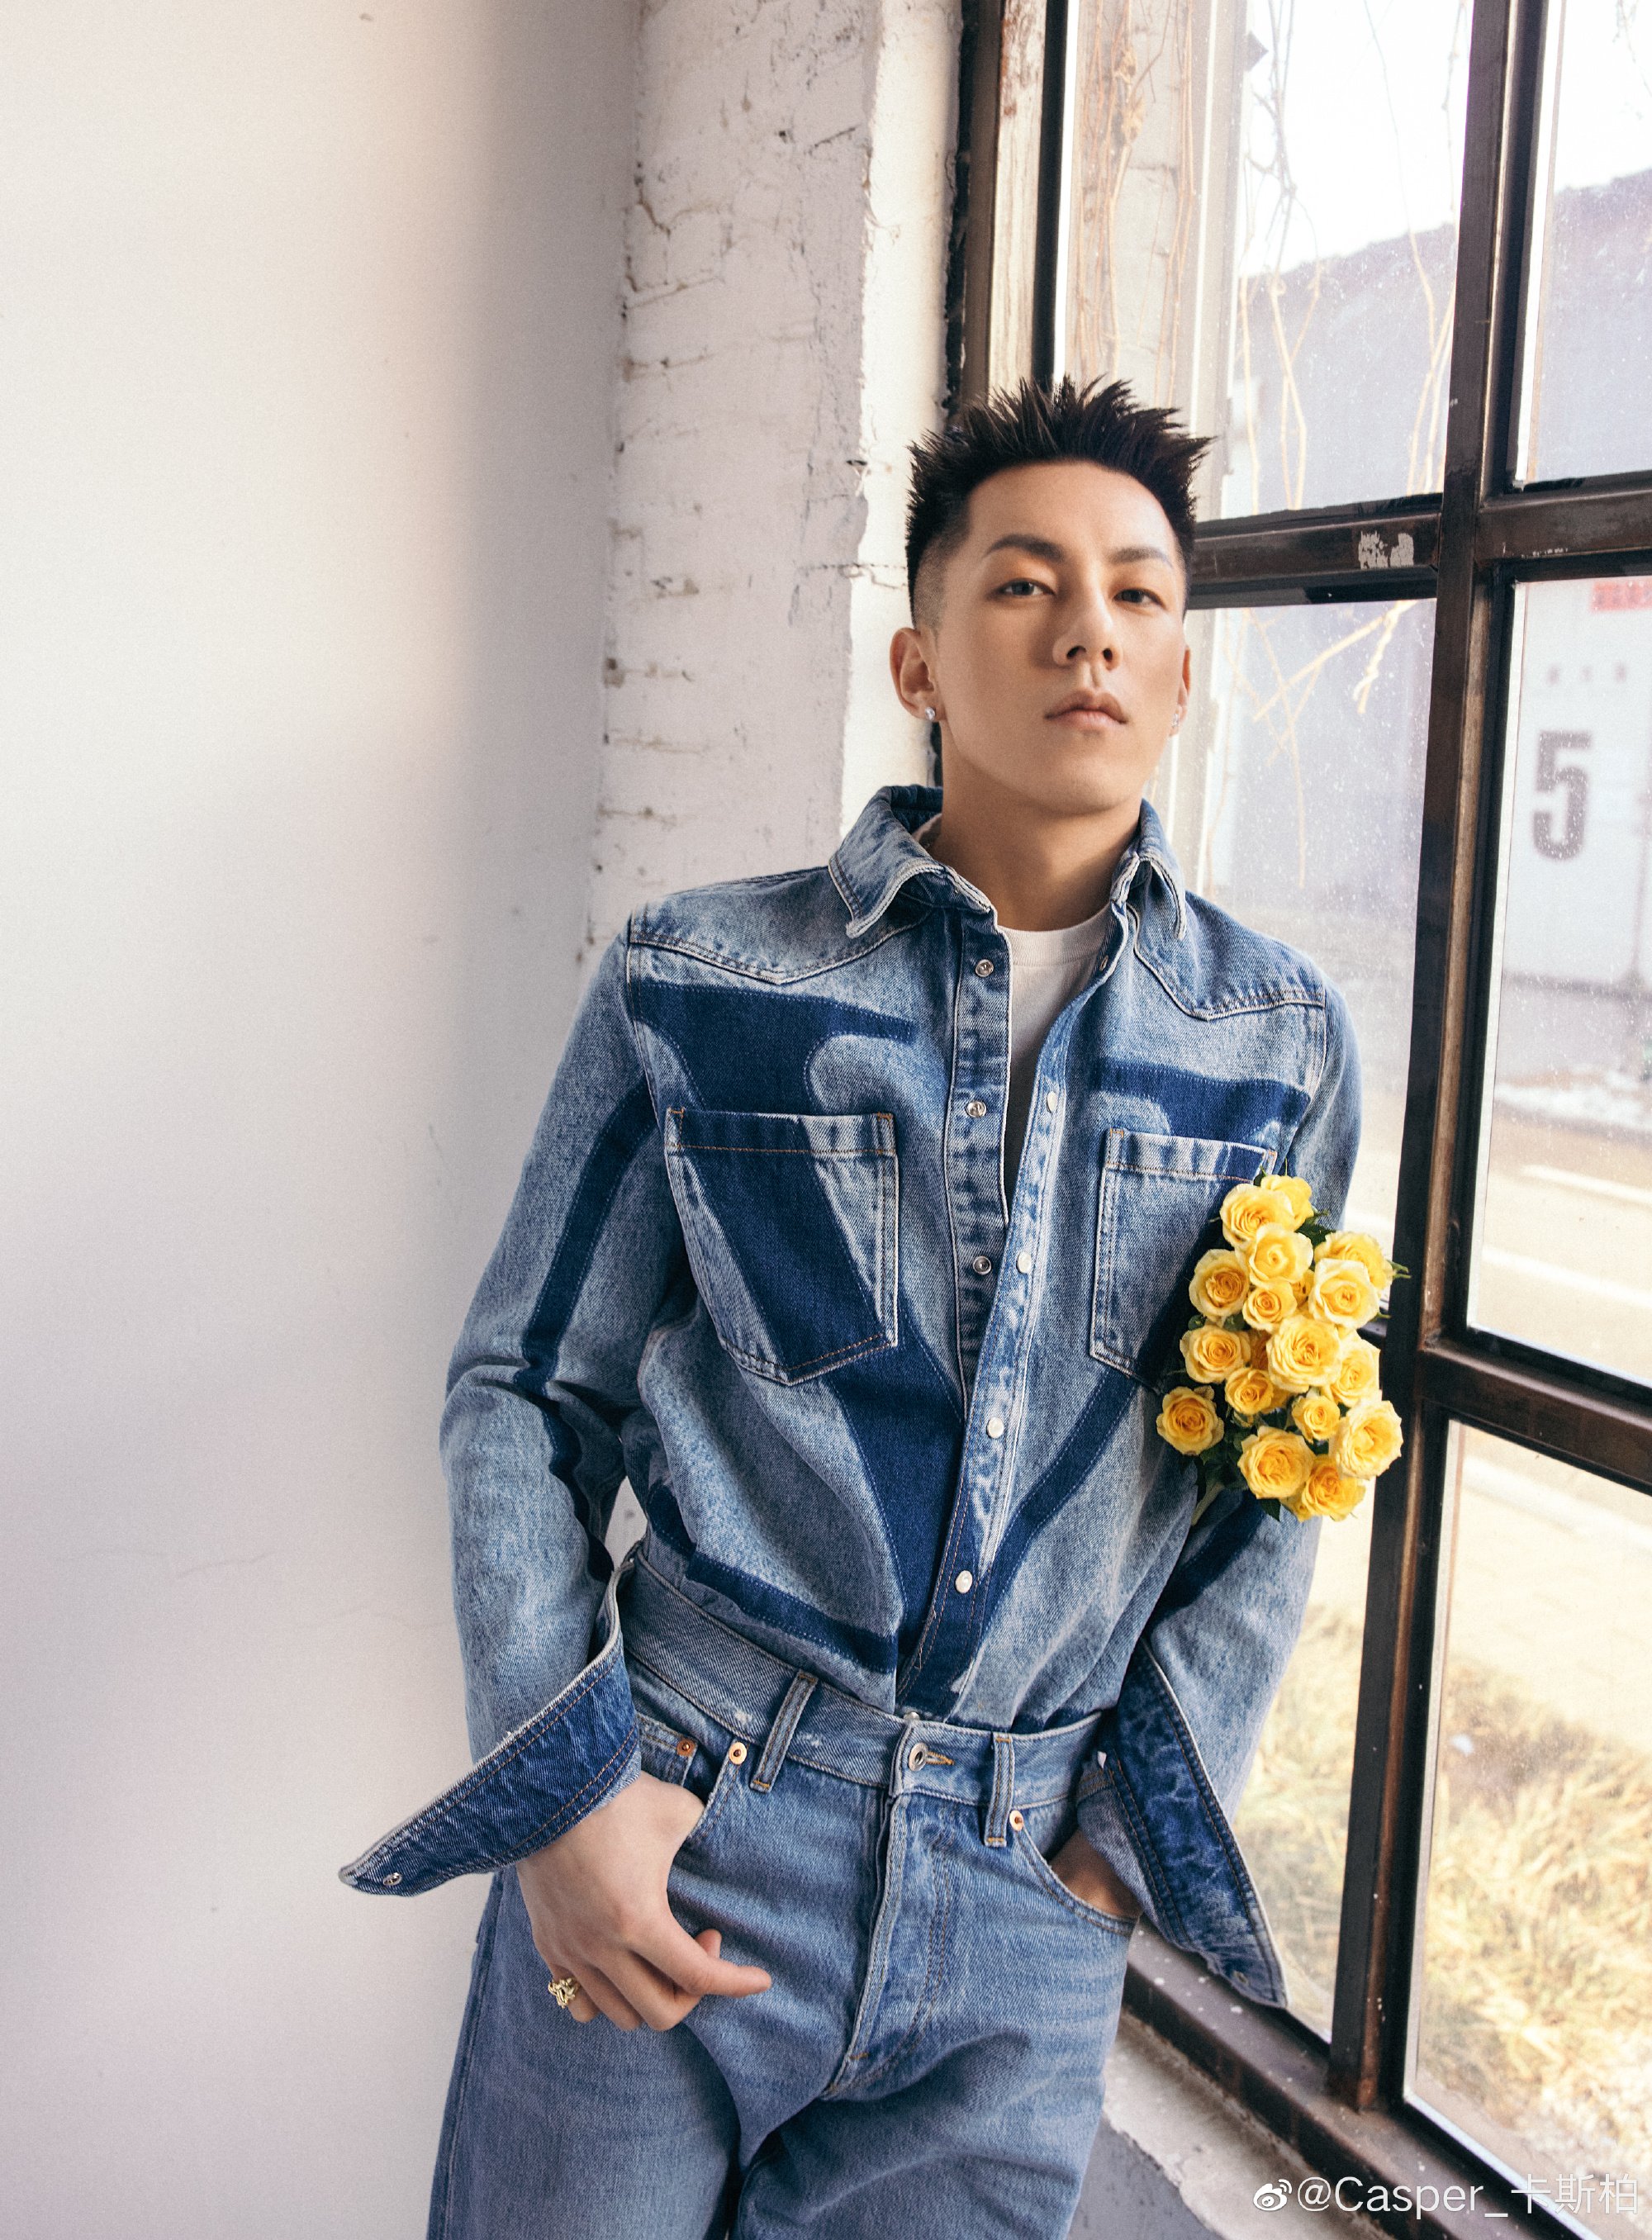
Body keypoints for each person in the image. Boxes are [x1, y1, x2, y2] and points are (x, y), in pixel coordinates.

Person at [343, 377, 1360, 2239]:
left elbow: (1273, 1490)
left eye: (1138, 594)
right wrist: (568, 1806)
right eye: (1025, 584)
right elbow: (524, 1393)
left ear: (1181, 675)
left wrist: (1108, 1867)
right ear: (918, 663)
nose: (1089, 631)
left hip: (1023, 1903)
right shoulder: (704, 975)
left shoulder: (1275, 1042)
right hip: (687, 1817)